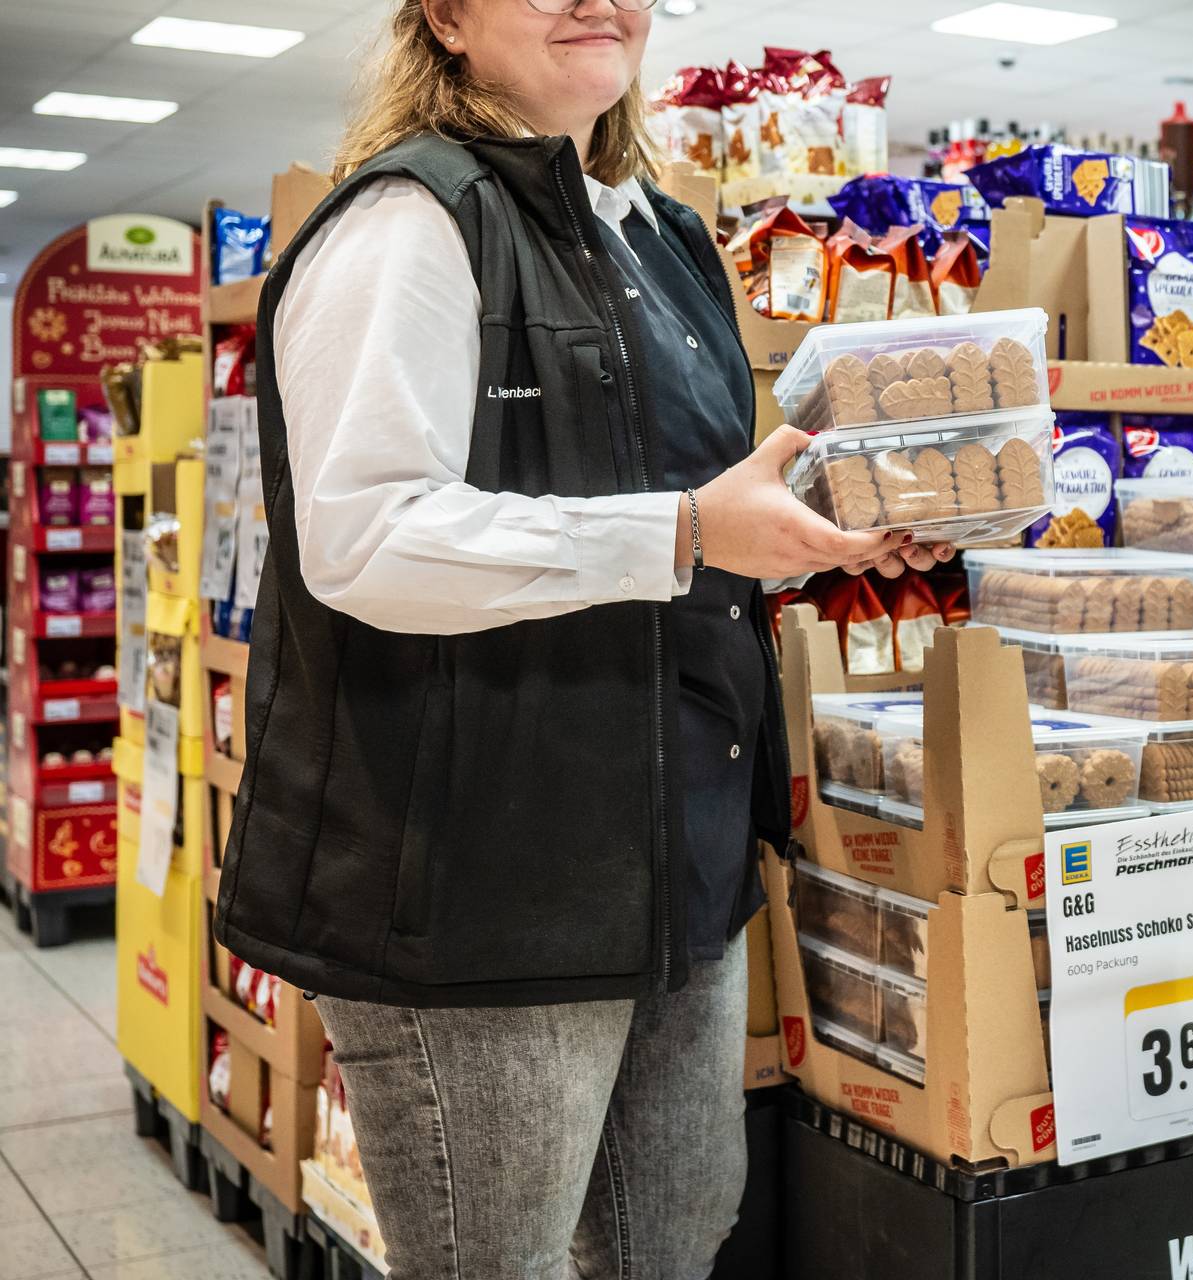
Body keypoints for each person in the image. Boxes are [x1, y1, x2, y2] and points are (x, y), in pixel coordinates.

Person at [214, 1, 928, 1275]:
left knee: (674, 1240)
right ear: (444, 16)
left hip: (675, 862)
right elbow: (366, 539)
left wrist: (825, 532)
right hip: (475, 889)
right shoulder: (410, 221)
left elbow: (688, 505)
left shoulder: (665, 237)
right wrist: (684, 532)